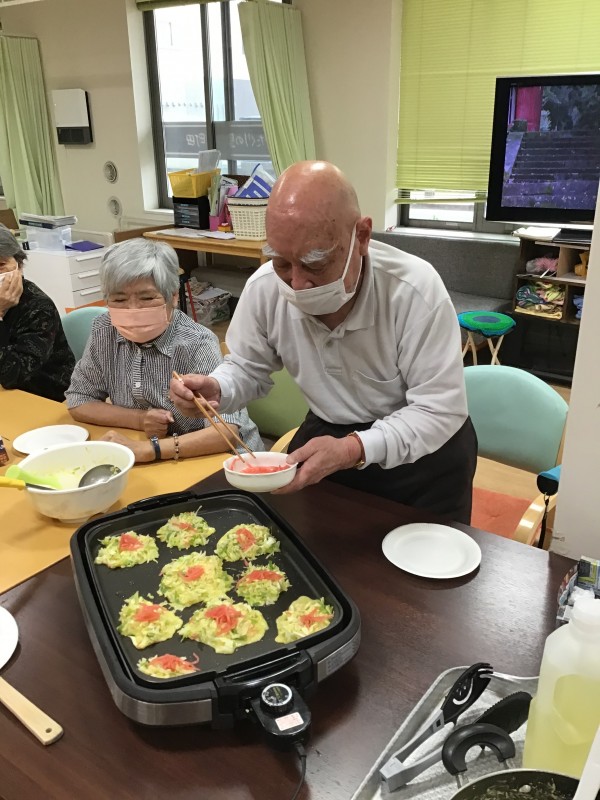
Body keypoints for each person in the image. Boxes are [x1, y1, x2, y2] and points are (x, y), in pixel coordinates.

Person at [171, 161, 477, 523]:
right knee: (306, 545)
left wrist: (354, 448)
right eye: (281, 262)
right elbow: (248, 367)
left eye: (315, 264)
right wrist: (218, 387)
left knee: (421, 557)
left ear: (361, 237)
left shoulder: (413, 292)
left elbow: (438, 410)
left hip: (424, 453)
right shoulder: (265, 288)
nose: (297, 284)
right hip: (329, 434)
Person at [66, 238, 262, 463]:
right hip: (161, 457)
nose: (133, 310)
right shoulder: (104, 330)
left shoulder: (197, 342)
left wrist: (150, 450)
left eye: (147, 298)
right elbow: (79, 399)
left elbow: (225, 432)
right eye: (119, 299)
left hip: (222, 461)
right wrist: (140, 419)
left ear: (174, 297)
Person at [0, 224, 75, 401]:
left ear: (19, 265)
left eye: (1, 264)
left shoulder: (39, 306)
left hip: (46, 396)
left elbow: (12, 376)